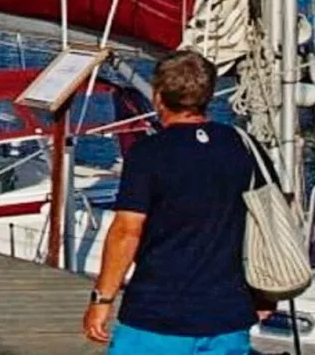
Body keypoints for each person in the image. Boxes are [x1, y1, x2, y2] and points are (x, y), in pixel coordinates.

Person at [84, 50, 267, 353]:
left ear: (158, 97)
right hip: (227, 311)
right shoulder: (242, 144)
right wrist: (266, 295)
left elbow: (127, 231)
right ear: (207, 96)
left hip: (158, 313)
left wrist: (102, 299)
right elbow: (267, 217)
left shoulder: (148, 153)